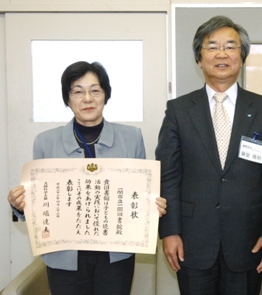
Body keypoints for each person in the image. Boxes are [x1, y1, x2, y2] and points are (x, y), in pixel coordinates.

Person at [7, 61, 167, 295]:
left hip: (116, 256)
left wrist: (152, 206)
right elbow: (42, 201)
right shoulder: (45, 142)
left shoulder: (131, 138)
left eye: (95, 90)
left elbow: (138, 194)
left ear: (105, 95)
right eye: (78, 91)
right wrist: (19, 205)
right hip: (63, 257)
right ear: (67, 98)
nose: (88, 98)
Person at [156, 15, 262, 295]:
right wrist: (169, 231)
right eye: (212, 46)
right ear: (199, 59)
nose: (222, 54)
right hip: (191, 242)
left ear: (242, 56)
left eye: (231, 46)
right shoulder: (178, 111)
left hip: (249, 241)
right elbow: (168, 174)